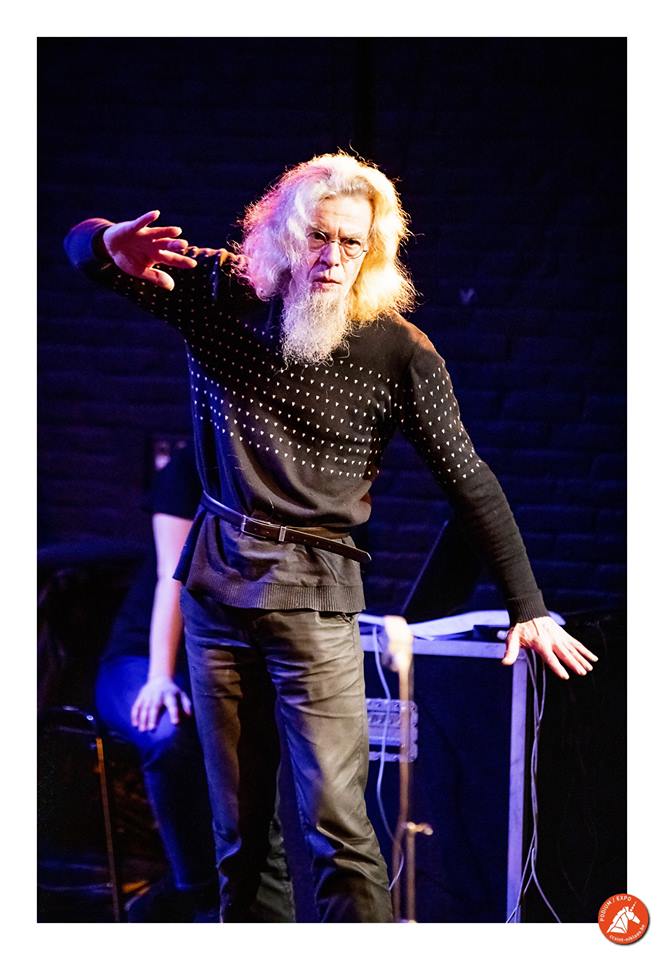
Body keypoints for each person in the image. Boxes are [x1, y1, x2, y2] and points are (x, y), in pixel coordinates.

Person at [65, 151, 598, 923]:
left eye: (353, 242)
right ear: (285, 235)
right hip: (216, 588)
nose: (333, 258)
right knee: (241, 837)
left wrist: (528, 605)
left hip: (315, 600)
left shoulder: (399, 351)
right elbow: (89, 255)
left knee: (337, 831)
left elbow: (469, 478)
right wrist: (102, 240)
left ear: (373, 250)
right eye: (319, 236)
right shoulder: (221, 293)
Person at [94, 442, 294, 922]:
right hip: (142, 658)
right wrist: (159, 676)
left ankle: (251, 892)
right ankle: (198, 895)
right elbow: (174, 577)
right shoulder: (189, 469)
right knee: (168, 731)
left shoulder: (289, 476)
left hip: (221, 657)